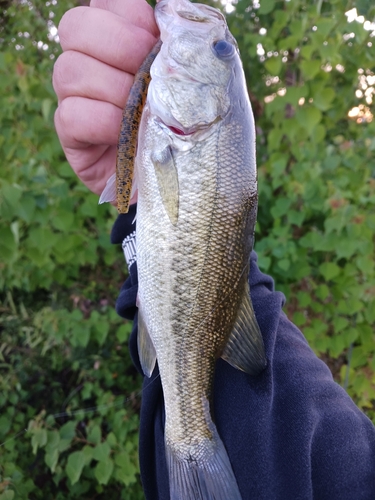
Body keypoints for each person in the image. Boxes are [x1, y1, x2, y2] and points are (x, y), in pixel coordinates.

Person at [53, 1, 375, 498]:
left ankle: (189, 438)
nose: (216, 42)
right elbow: (190, 246)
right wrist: (130, 199)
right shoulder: (175, 127)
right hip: (193, 287)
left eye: (222, 51)